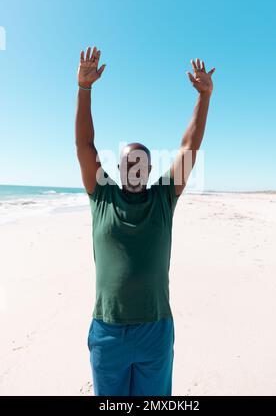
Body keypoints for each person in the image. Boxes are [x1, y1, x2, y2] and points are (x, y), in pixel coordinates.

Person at [75, 46, 215, 396]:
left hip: (155, 329)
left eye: (141, 163)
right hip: (108, 331)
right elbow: (84, 144)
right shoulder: (103, 196)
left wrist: (204, 98)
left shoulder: (163, 198)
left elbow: (188, 147)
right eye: (128, 163)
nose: (134, 168)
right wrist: (84, 89)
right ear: (118, 168)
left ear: (150, 169)